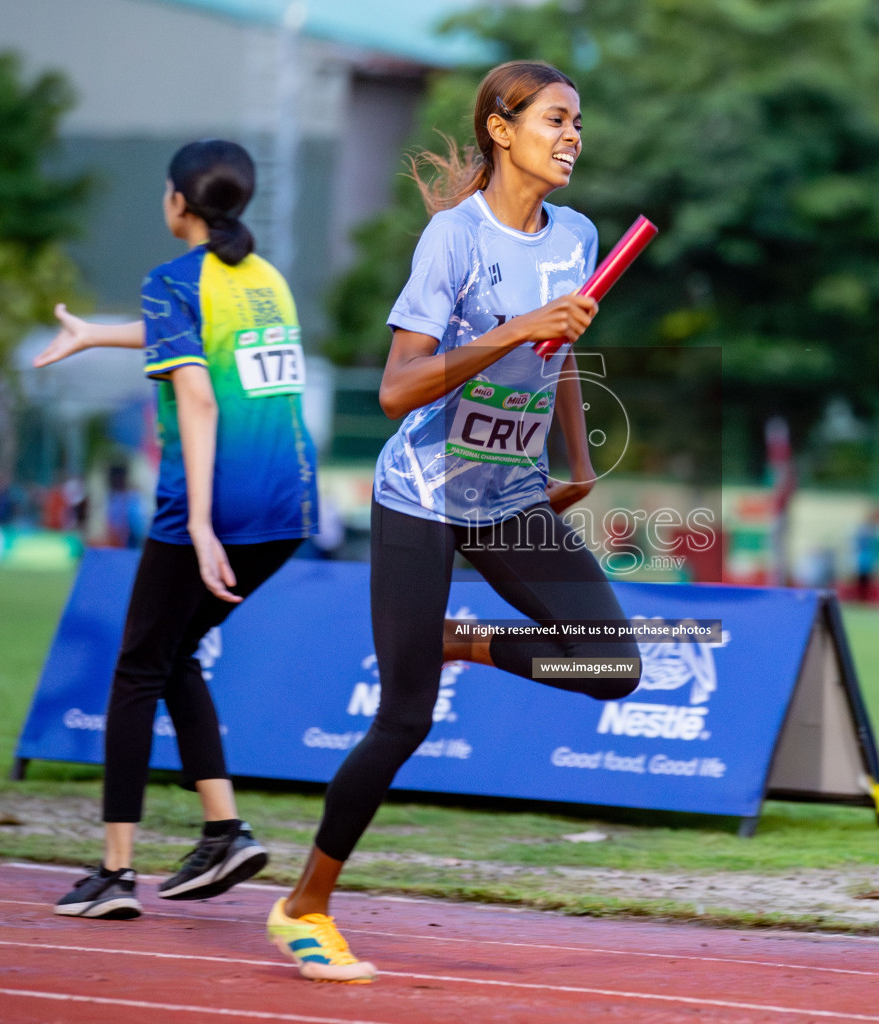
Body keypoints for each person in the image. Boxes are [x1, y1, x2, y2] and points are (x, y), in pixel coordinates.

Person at [267, 61, 642, 985]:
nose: (572, 137)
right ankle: (304, 906)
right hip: (423, 497)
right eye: (555, 119)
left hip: (511, 495)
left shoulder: (579, 234)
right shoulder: (452, 241)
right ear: (501, 129)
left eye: (579, 123)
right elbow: (398, 390)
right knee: (402, 718)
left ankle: (462, 641)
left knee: (611, 666)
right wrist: (513, 329)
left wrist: (578, 463)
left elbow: (558, 353)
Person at [31, 140, 318, 920]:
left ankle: (115, 873)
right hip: (288, 507)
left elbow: (196, 397)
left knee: (135, 669)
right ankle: (224, 830)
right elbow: (188, 334)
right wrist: (96, 332)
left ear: (177, 205)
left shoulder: (171, 279)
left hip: (212, 509)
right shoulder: (266, 280)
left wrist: (196, 523)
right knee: (174, 651)